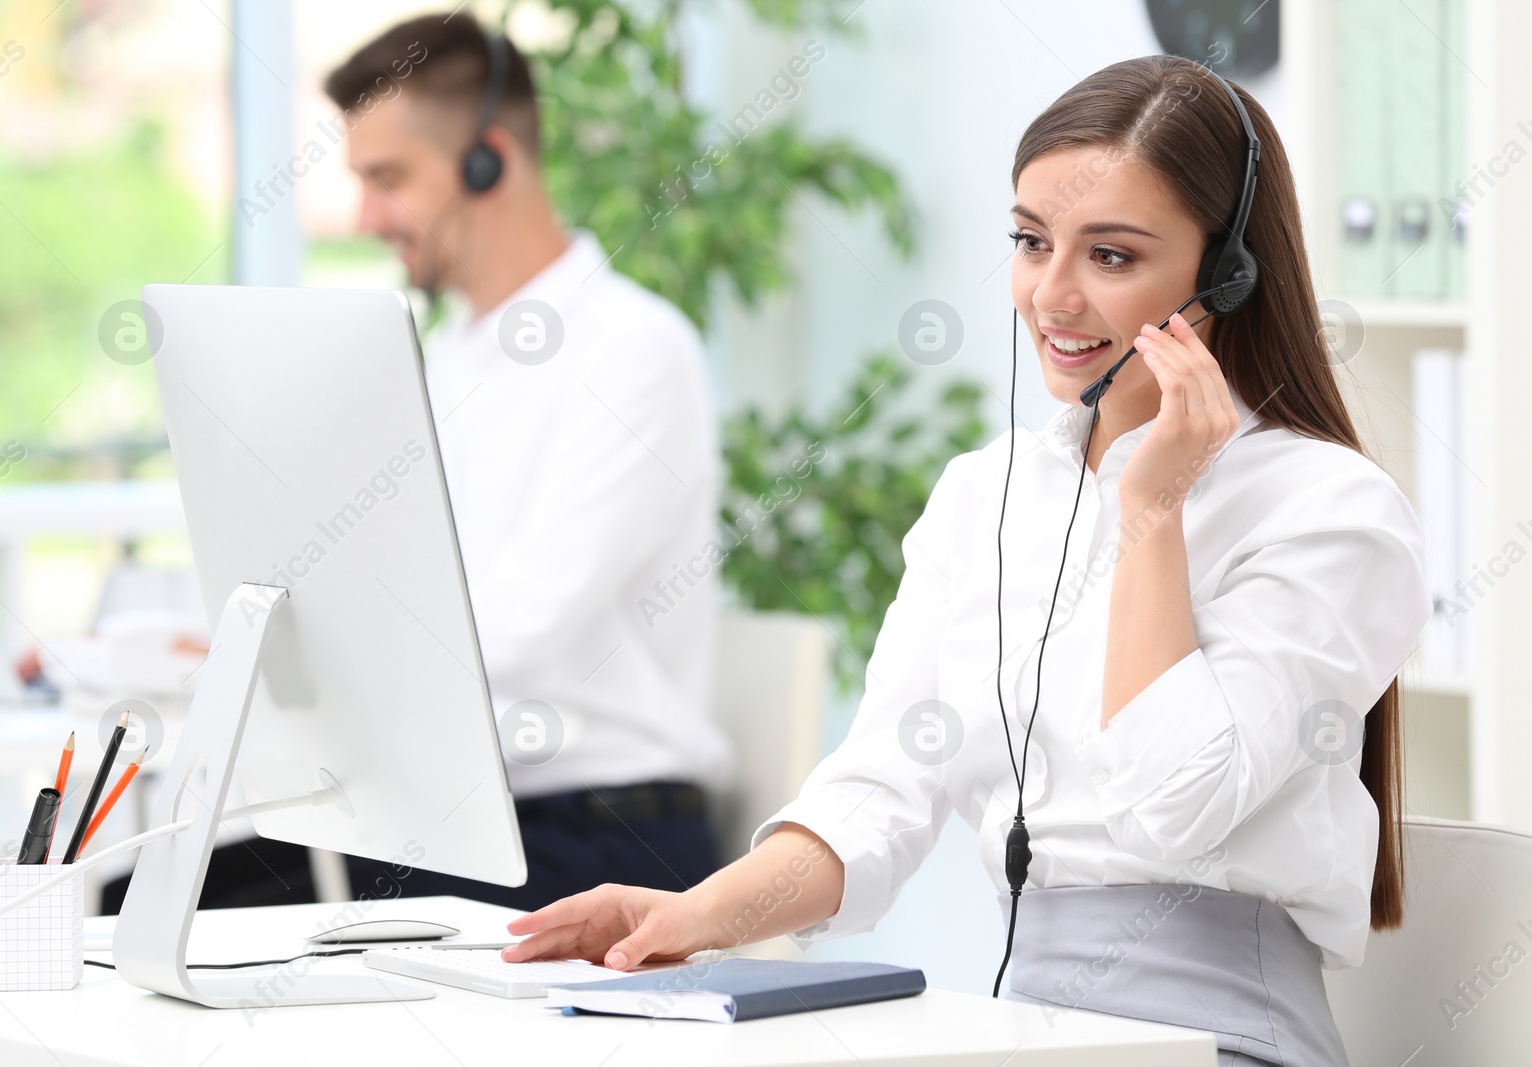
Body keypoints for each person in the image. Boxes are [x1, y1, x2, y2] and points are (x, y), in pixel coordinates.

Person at [501, 56, 1428, 1067]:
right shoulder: (984, 495)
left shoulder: (1332, 512)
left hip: (1224, 1038)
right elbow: (882, 785)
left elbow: (1178, 799)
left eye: (1110, 256)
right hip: (1027, 1035)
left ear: (1226, 273)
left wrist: (1151, 511)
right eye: (1031, 242)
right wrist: (695, 912)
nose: (1050, 296)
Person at [323, 13, 731, 909]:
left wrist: (320, 648)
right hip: (452, 821)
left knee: (226, 920)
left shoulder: (633, 349)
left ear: (487, 161)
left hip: (598, 835)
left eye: (386, 179)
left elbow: (520, 626)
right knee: (144, 902)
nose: (364, 217)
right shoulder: (444, 357)